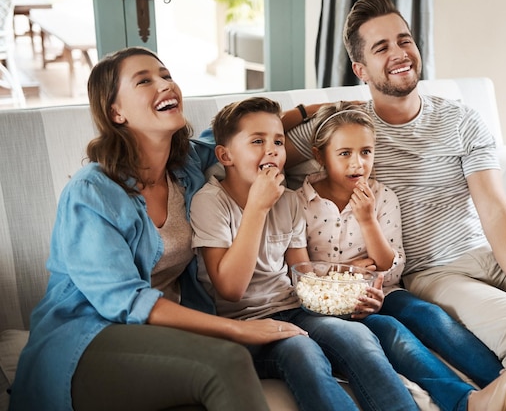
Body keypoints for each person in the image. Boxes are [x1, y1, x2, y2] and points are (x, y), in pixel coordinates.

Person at [284, 0, 506, 411]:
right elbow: (252, 149)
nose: (400, 53)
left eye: (404, 40)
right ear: (360, 70)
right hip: (436, 273)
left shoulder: (460, 117)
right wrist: (309, 108)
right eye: (382, 48)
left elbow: (495, 208)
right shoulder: (348, 130)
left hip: (488, 250)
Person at [9, 47, 309, 411]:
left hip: (161, 337)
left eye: (166, 76)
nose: (165, 85)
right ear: (115, 111)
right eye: (144, 80)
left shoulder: (187, 168)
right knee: (228, 359)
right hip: (88, 335)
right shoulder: (91, 192)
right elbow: (124, 300)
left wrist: (308, 112)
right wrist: (239, 329)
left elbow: (240, 139)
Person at [295, 101, 506, 411]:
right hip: (331, 307)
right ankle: (471, 402)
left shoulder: (382, 197)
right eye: (345, 153)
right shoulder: (299, 203)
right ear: (319, 155)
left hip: (383, 290)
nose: (358, 163)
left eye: (366, 152)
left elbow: (392, 267)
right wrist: (349, 273)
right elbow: (303, 275)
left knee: (431, 316)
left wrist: (367, 222)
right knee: (394, 333)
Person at [189, 96, 423, 411]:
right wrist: (257, 208)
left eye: (277, 141)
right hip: (243, 324)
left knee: (359, 338)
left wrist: (352, 294)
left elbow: (303, 275)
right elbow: (231, 290)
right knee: (303, 351)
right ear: (225, 155)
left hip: (294, 309)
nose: (271, 150)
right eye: (257, 141)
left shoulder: (287, 201)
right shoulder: (210, 203)